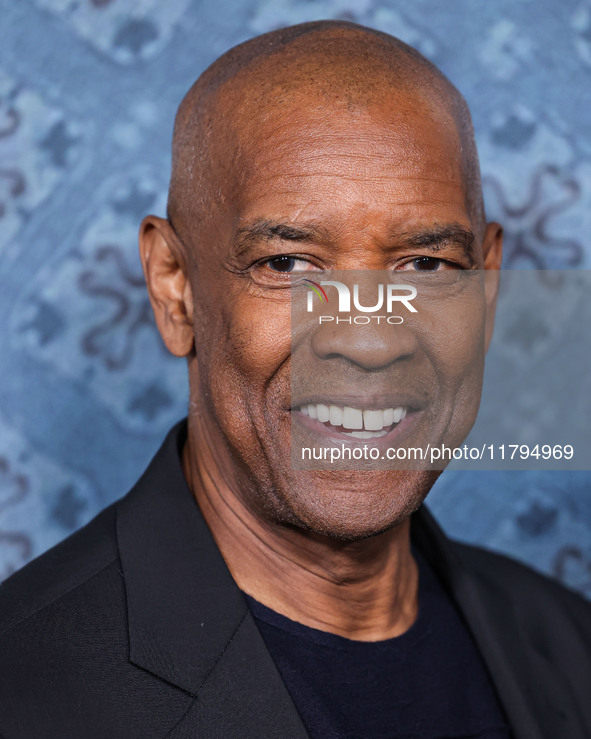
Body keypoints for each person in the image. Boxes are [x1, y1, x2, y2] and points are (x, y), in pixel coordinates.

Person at [0, 20, 589, 739]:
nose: (369, 339)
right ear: (174, 287)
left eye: (425, 266)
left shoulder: (566, 643)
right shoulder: (24, 690)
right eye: (287, 265)